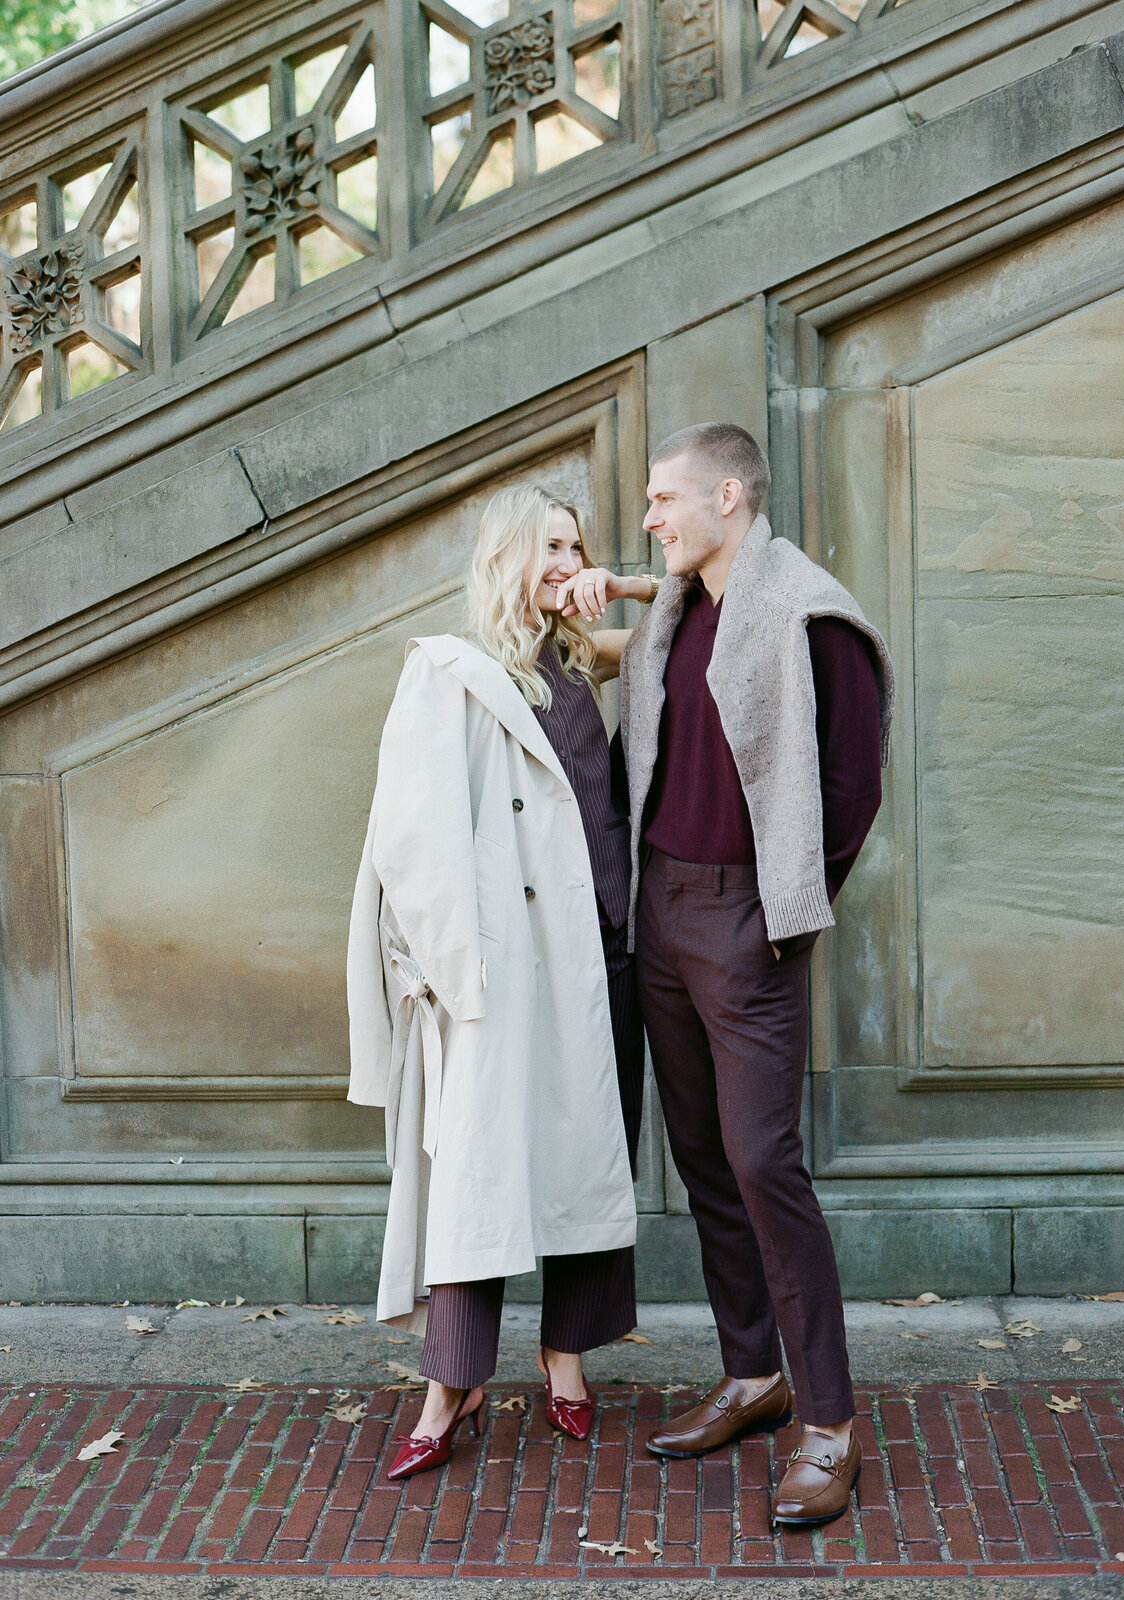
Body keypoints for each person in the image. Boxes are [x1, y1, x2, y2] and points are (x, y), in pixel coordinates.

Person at [556, 423, 894, 1528]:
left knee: (763, 1163)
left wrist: (779, 907)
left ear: (732, 496)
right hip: (664, 909)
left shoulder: (807, 610)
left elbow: (851, 781)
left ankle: (830, 1424)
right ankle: (754, 1377)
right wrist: (596, 583)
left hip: (745, 922)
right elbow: (644, 611)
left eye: (665, 499)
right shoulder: (682, 605)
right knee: (701, 1155)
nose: (650, 516)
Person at [345, 484, 657, 1479]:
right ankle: (454, 1380)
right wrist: (452, 967)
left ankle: (565, 1356)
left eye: (578, 544)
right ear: (507, 555)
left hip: (606, 944)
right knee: (480, 1175)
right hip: (503, 970)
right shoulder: (456, 670)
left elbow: (700, 621)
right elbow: (410, 835)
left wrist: (623, 582)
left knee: (585, 1149)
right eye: (551, 546)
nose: (570, 560)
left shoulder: (583, 659)